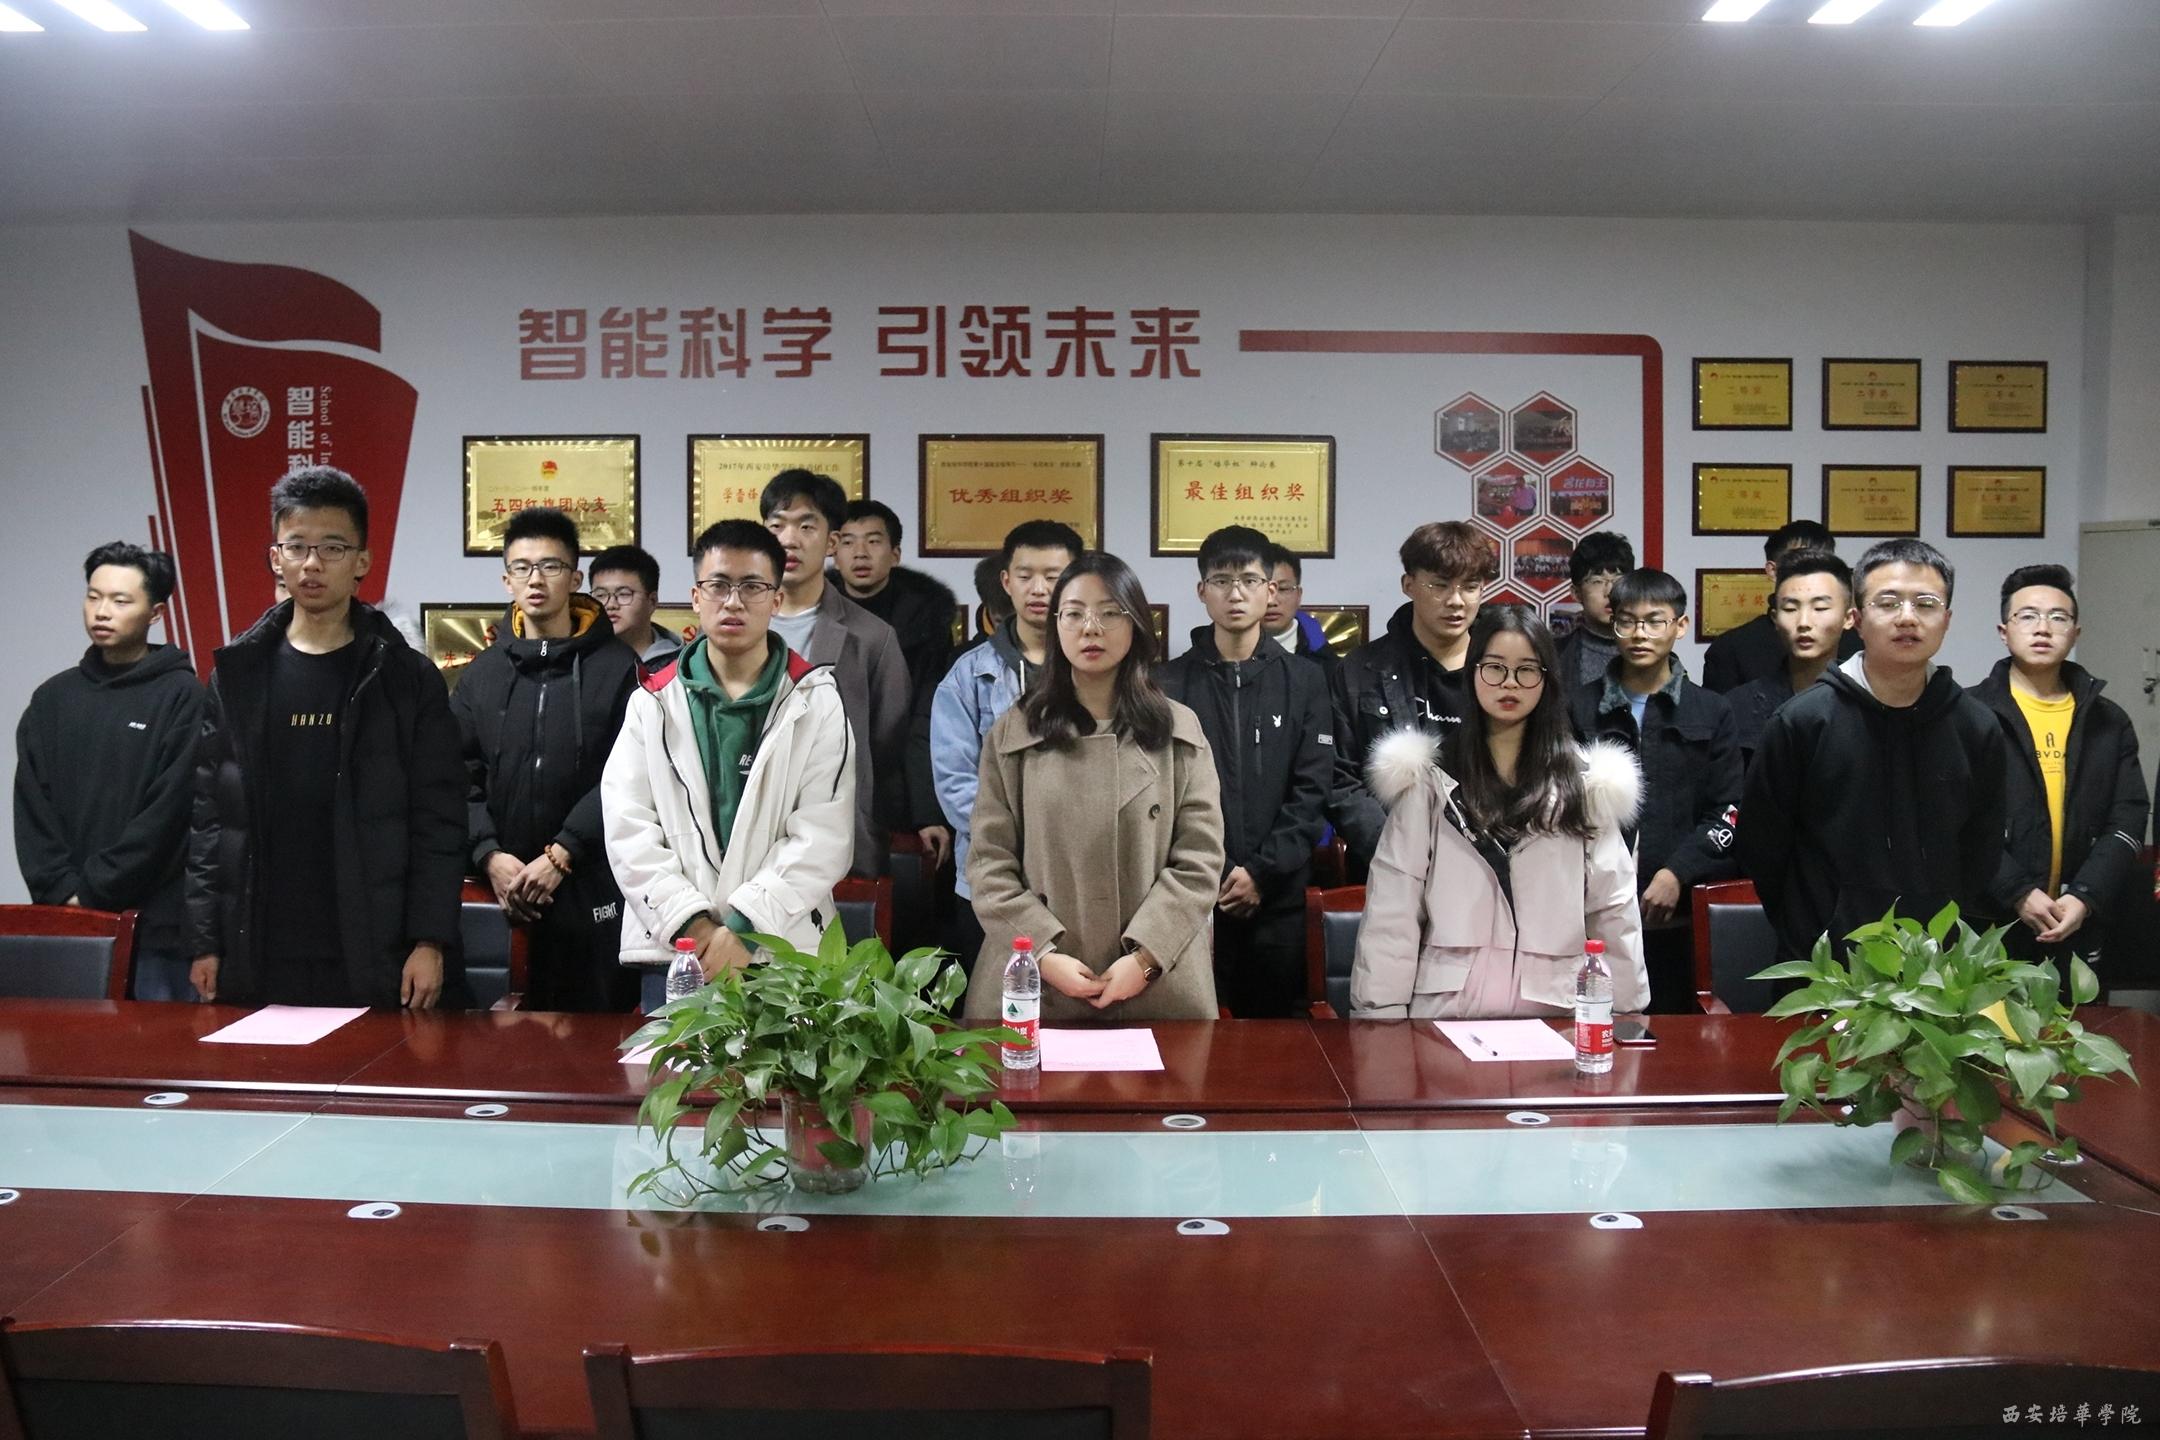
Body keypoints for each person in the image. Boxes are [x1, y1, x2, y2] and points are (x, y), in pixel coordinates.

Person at [187, 467, 466, 1009]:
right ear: (276, 558)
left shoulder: (404, 677)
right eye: (296, 547)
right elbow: (210, 820)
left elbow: (439, 821)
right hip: (259, 943)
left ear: (362, 561)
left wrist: (429, 940)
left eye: (332, 548)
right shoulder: (239, 675)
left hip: (374, 944)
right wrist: (205, 942)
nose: (311, 563)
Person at [963, 553, 1226, 1023]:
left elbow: (1200, 861)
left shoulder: (1177, 730)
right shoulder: (1015, 733)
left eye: (1109, 613)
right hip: (1037, 981)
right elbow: (989, 862)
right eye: (1074, 613)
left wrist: (1145, 958)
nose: (1091, 628)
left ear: (1137, 624)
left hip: (1157, 982)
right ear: (1055, 625)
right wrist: (1042, 954)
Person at [1352, 606, 1646, 1019]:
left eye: (1527, 669)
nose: (1510, 683)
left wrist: (1627, 1019)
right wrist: (1381, 1019)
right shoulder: (1431, 781)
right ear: (1472, 672)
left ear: (1547, 679)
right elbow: (1393, 910)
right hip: (1447, 1016)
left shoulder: (1584, 786)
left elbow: (1613, 910)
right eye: (1494, 668)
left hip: (1555, 1015)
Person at [602, 519, 855, 982]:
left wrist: (742, 931)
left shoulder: (816, 700)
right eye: (718, 585)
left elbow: (823, 835)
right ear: (696, 597)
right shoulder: (652, 702)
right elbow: (628, 830)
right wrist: (697, 928)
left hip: (784, 951)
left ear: (776, 600)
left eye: (752, 587)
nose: (733, 602)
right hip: (677, 950)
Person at [1740, 539, 2008, 963]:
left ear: (1946, 620)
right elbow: (1762, 846)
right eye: (1888, 603)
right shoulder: (1803, 721)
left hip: (1936, 964)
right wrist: (1809, 929)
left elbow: (1982, 851)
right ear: (1857, 619)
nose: (1907, 617)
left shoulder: (1975, 726)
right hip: (1823, 965)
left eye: (1926, 604)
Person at [453, 507, 639, 1012]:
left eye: (551, 566)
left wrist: (563, 853)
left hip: (593, 887)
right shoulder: (482, 674)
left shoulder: (618, 668)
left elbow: (629, 775)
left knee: (598, 1039)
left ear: (575, 578)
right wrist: (487, 854)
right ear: (507, 580)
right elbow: (456, 778)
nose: (536, 579)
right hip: (506, 887)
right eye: (522, 567)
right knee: (508, 1042)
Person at [15, 542, 205, 1001]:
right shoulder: (52, 698)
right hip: (66, 925)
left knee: (153, 1045)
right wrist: (62, 893)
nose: (102, 611)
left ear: (155, 613)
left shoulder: (182, 696)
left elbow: (168, 816)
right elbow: (32, 809)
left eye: (120, 601)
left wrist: (93, 892)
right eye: (93, 596)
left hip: (154, 934)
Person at [1158, 527, 1333, 1017]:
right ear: (1202, 591)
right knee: (1191, 1036)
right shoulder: (1166, 684)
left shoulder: (1306, 680)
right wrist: (1212, 871)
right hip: (1191, 894)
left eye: (1250, 580)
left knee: (1274, 1039)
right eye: (1221, 580)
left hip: (1278, 898)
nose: (1235, 594)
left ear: (1270, 590)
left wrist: (1260, 872)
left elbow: (1312, 788)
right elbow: (1162, 793)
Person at [1568, 569, 1742, 1013]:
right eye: (1627, 621)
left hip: (1679, 916)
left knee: (1672, 1035)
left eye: (1654, 621)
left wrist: (1676, 873)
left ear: (1680, 626)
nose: (1639, 634)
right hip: (1592, 914)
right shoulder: (1580, 707)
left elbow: (1728, 809)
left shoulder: (1712, 711)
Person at [1969, 564, 2148, 962]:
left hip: (2080, 921)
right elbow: (1953, 817)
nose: (2043, 628)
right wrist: (2016, 890)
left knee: (2077, 1005)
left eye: (2058, 617)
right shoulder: (1968, 714)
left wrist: (2086, 895)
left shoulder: (2108, 721)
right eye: (2027, 616)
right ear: (2003, 631)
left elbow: (2129, 816)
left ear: (2075, 633)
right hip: (1987, 921)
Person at [930, 520, 1081, 968]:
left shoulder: (1100, 667)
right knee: (993, 1001)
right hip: (991, 880)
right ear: (1005, 582)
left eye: (1053, 576)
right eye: (1025, 575)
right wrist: (1020, 840)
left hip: (1079, 876)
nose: (1039, 589)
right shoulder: (968, 675)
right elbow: (955, 782)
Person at [759, 469, 915, 877]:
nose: (789, 540)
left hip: (836, 838)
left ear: (831, 542)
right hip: (745, 831)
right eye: (777, 526)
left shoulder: (872, 637)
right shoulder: (732, 629)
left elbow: (887, 744)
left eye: (806, 526)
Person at [1330, 521, 1497, 866]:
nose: (1456, 601)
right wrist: (1400, 852)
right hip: (1391, 863)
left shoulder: (1505, 669)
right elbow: (1339, 778)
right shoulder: (1361, 670)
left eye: (1470, 587)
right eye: (1440, 585)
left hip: (1492, 862)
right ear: (1408, 585)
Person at [831, 498, 957, 878]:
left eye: (873, 541)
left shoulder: (925, 623)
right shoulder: (809, 615)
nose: (860, 553)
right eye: (848, 542)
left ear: (895, 554)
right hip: (824, 785)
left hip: (900, 790)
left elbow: (928, 721)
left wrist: (926, 811)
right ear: (832, 550)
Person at [1701, 520, 1862, 693]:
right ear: (1772, 570)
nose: (1804, 622)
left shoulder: (1861, 646)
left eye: (1823, 561)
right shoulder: (1732, 648)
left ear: (1848, 618)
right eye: (1798, 559)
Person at [1727, 549, 1854, 765]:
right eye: (1790, 608)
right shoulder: (1738, 706)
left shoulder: (1866, 703)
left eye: (1820, 608)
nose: (1804, 622)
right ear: (1775, 618)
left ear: (1849, 618)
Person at [588, 544, 681, 683]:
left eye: (624, 594)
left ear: (652, 601)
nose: (611, 605)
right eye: (600, 595)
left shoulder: (681, 667)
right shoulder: (581, 661)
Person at [1553, 530, 1634, 689]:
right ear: (1576, 593)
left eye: (1618, 581)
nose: (1609, 592)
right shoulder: (1554, 656)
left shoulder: (1652, 651)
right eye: (1597, 581)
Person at [1259, 542, 1339, 682]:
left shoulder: (1327, 663)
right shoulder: (1225, 656)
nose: (1272, 602)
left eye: (1283, 589)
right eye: (1263, 590)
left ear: (1298, 595)